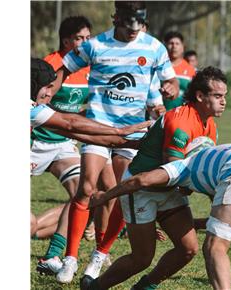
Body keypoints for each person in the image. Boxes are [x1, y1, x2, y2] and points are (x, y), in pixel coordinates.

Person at [51, 1, 180, 284]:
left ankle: (100, 254)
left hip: (132, 133)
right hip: (98, 127)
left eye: (138, 27)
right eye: (128, 26)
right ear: (117, 18)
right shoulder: (95, 45)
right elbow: (63, 69)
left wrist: (171, 87)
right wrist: (47, 93)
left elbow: (171, 81)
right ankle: (70, 259)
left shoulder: (154, 47)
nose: (134, 32)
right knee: (86, 186)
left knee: (124, 192)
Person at [81, 66, 227, 290]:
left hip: (169, 189)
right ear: (200, 96)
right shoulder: (181, 123)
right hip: (141, 189)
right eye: (217, 96)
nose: (223, 101)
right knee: (142, 258)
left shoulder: (210, 125)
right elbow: (173, 169)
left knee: (188, 249)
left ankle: (145, 286)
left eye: (224, 96)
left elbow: (194, 171)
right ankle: (95, 287)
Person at [88, 143, 231, 290]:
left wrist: (103, 196)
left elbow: (141, 180)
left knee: (215, 247)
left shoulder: (186, 164)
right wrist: (191, 223)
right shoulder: (216, 158)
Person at [31, 16, 96, 274]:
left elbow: (77, 110)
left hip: (62, 146)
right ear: (66, 40)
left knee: (83, 190)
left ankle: (54, 254)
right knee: (30, 226)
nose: (85, 43)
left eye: (88, 38)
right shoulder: (51, 65)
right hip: (35, 140)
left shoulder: (91, 68)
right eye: (80, 38)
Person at [163, 31, 196, 111]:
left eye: (177, 43)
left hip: (182, 117)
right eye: (171, 43)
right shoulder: (159, 67)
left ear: (183, 47)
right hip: (159, 116)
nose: (174, 46)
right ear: (165, 46)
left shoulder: (191, 70)